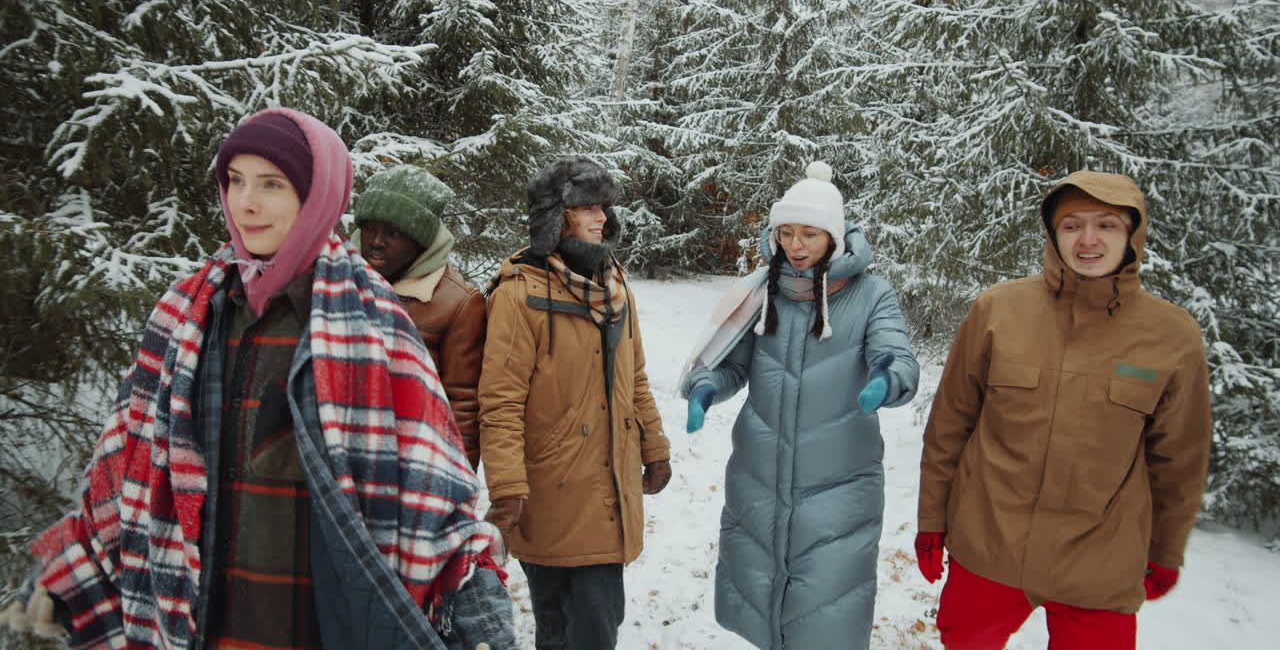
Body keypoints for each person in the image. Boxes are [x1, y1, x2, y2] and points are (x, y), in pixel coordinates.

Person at [0, 108, 514, 650]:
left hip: (314, 617)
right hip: (200, 614)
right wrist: (65, 575)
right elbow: (126, 463)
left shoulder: (375, 323)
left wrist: (476, 607)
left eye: (271, 184)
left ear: (318, 194)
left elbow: (435, 490)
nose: (246, 203)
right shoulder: (186, 314)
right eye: (236, 181)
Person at [916, 170, 1212, 650]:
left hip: (1101, 565)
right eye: (1073, 225)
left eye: (1107, 225)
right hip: (989, 546)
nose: (1088, 239)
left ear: (1132, 234)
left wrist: (1166, 549)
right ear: (1053, 233)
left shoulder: (1172, 336)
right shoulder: (998, 310)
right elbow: (949, 426)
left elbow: (1180, 460)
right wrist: (932, 522)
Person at [678, 161, 920, 650]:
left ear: (834, 236)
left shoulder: (871, 295)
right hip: (760, 479)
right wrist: (707, 386)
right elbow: (734, 364)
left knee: (823, 617)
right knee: (765, 610)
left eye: (809, 233)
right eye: (785, 232)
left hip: (839, 487)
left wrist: (887, 379)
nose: (795, 244)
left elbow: (896, 353)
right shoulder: (763, 291)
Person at [478, 156, 672, 650]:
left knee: (597, 622)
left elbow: (636, 376)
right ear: (554, 216)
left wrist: (655, 445)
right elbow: (500, 403)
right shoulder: (519, 292)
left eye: (603, 206)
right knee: (563, 626)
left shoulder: (615, 281)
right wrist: (507, 488)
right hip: (550, 488)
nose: (601, 217)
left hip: (609, 485)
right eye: (587, 207)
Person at [352, 165, 486, 469]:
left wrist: (456, 482)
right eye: (370, 228)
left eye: (394, 232)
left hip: (412, 464)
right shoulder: (336, 281)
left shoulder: (458, 303)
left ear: (421, 239)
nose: (376, 241)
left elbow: (464, 405)